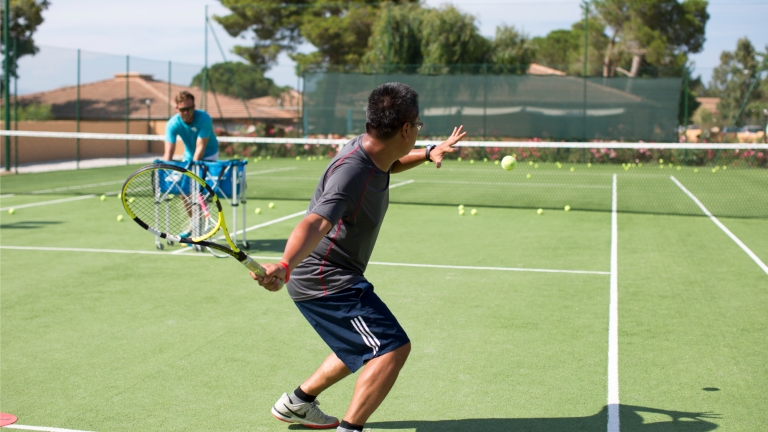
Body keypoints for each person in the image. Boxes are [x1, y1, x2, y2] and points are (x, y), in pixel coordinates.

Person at [251, 82, 466, 432]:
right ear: (406, 128)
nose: (419, 132)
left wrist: (427, 153)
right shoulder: (351, 172)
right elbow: (316, 220)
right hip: (325, 277)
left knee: (362, 342)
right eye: (419, 126)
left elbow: (388, 165)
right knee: (391, 349)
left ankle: (297, 403)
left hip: (334, 272)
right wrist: (285, 263)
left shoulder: (370, 150)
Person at [163, 91, 219, 162]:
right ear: (177, 108)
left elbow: (200, 147)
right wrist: (164, 168)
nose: (186, 112)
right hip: (188, 156)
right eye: (182, 110)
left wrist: (193, 168)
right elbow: (168, 153)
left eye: (188, 109)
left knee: (198, 172)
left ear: (193, 107)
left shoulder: (204, 118)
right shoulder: (172, 124)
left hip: (209, 155)